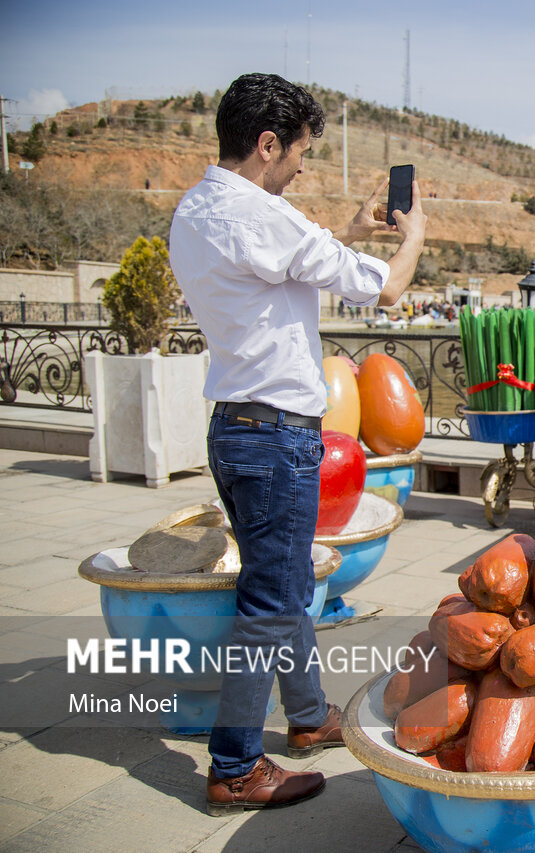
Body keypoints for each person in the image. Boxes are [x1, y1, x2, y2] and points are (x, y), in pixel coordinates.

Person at [168, 72, 427, 815]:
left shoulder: (196, 209)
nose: (304, 167)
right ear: (267, 143)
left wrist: (339, 230)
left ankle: (309, 716)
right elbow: (385, 291)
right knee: (272, 595)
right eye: (301, 152)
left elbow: (274, 262)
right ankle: (236, 763)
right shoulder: (264, 216)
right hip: (276, 436)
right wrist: (413, 237)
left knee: (279, 586)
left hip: (233, 426)